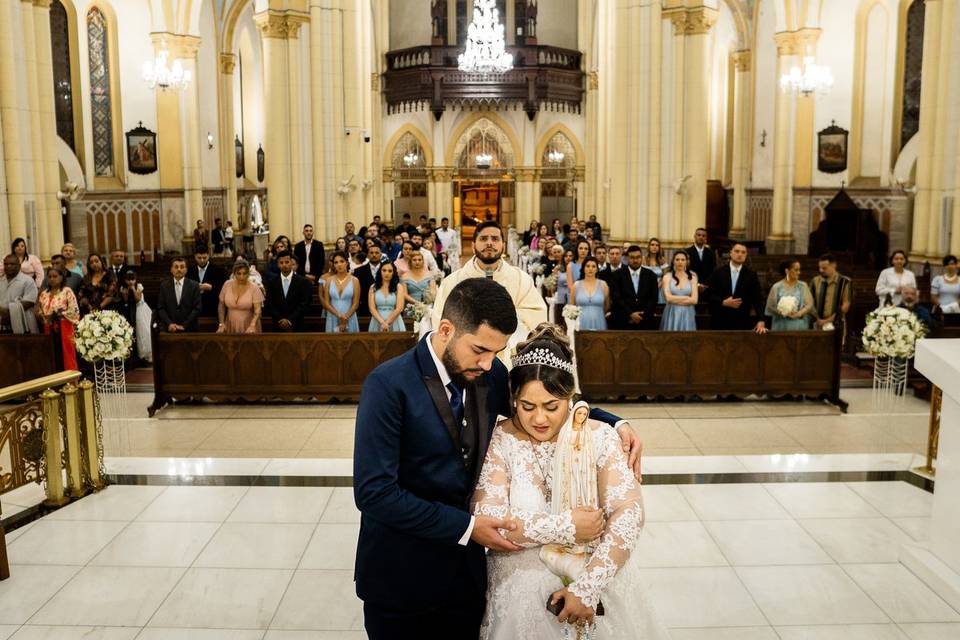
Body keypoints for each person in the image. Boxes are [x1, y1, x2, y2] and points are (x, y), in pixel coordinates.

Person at [353, 280, 642, 640]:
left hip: (467, 579)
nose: (490, 363)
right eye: (480, 349)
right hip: (402, 574)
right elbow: (374, 493)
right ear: (446, 329)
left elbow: (541, 401)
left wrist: (614, 423)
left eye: (497, 352)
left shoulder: (488, 374)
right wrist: (468, 527)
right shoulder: (387, 385)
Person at [473, 325, 668, 639]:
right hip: (519, 594)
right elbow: (489, 520)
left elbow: (628, 513)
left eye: (552, 406)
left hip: (595, 578)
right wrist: (565, 527)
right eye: (527, 406)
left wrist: (588, 587)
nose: (539, 419)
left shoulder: (600, 436)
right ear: (512, 399)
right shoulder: (501, 440)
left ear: (570, 397)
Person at [432, 222, 549, 356]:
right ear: (473, 245)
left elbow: (536, 316)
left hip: (510, 359)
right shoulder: (452, 282)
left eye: (495, 239)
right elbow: (440, 321)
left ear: (503, 246)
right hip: (466, 359)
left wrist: (502, 319)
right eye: (483, 239)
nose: (489, 243)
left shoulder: (521, 280)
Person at [706, 242, 767, 333]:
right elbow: (708, 294)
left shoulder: (751, 274)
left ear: (746, 255)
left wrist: (761, 320)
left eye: (743, 252)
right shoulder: (718, 272)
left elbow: (757, 299)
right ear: (731, 253)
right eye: (737, 251)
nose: (740, 254)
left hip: (742, 321)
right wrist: (723, 302)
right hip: (720, 320)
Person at [36, 266, 80, 369]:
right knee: (51, 354)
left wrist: (58, 314)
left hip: (65, 326)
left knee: (67, 353)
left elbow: (74, 310)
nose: (52, 279)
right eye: (49, 276)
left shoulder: (66, 291)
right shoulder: (44, 294)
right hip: (48, 327)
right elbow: (40, 310)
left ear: (61, 278)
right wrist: (43, 316)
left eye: (55, 276)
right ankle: (55, 381)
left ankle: (71, 381)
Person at [609, 245, 659, 330]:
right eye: (632, 257)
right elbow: (616, 297)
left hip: (645, 321)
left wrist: (642, 315)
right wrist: (630, 314)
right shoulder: (617, 275)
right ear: (627, 258)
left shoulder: (651, 275)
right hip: (623, 321)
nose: (635, 260)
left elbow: (654, 298)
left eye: (638, 257)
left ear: (642, 258)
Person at [264, 251, 312, 332]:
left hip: (297, 325)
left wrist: (290, 320)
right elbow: (269, 304)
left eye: (287, 262)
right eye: (281, 263)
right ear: (278, 265)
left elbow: (305, 303)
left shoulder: (303, 282)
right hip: (277, 325)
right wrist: (280, 320)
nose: (284, 265)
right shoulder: (272, 282)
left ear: (291, 263)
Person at [766, 259, 815, 331]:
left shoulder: (803, 286)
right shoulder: (777, 287)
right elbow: (770, 306)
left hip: (799, 324)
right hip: (781, 324)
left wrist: (799, 314)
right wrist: (783, 312)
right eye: (796, 270)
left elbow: (809, 304)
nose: (799, 272)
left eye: (799, 270)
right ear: (787, 271)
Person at [218, 259, 264, 334]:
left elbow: (257, 311)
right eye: (238, 273)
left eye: (245, 273)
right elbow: (221, 306)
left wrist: (252, 325)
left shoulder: (254, 288)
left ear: (248, 273)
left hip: (249, 324)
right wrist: (221, 323)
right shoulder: (227, 284)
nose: (242, 277)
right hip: (230, 323)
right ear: (234, 273)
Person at [156, 257, 202, 332]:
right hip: (170, 328)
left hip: (190, 329)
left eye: (182, 267)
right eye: (176, 267)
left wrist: (184, 325)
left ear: (186, 270)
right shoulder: (164, 286)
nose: (179, 269)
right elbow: (161, 308)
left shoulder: (194, 285)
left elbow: (197, 308)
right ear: (171, 269)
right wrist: (169, 323)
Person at [116, 270, 153, 362]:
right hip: (130, 310)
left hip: (140, 309)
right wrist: (125, 295)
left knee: (143, 331)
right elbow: (125, 301)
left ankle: (144, 355)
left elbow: (138, 299)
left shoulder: (139, 287)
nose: (130, 282)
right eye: (128, 280)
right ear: (125, 280)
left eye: (132, 279)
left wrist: (132, 289)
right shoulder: (123, 288)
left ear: (135, 280)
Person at [810, 253, 853, 331]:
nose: (821, 270)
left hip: (837, 322)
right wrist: (817, 318)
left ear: (834, 265)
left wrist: (829, 320)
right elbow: (810, 301)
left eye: (824, 268)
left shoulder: (845, 282)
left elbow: (846, 304)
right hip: (817, 323)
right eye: (820, 268)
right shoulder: (814, 281)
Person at [322, 251, 360, 333]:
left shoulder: (355, 280)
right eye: (336, 262)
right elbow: (327, 303)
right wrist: (339, 315)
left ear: (347, 263)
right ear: (333, 265)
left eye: (342, 261)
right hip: (333, 316)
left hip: (350, 316)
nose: (339, 264)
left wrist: (345, 317)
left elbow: (356, 303)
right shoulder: (328, 280)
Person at [660, 250, 698, 331]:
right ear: (673, 261)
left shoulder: (693, 278)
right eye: (677, 259)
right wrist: (687, 298)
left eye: (683, 260)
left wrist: (675, 299)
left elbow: (694, 300)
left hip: (688, 312)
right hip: (671, 312)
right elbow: (668, 298)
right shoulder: (667, 277)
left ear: (686, 262)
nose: (680, 262)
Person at [0, 254, 39, 333]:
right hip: (2, 325)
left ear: (19, 265)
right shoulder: (0, 281)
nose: (8, 266)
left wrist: (9, 313)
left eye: (12, 264)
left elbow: (29, 302)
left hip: (24, 323)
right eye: (6, 264)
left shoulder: (28, 280)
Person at [186, 247, 227, 318]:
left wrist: (211, 287)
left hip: (212, 307)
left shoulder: (218, 270)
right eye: (199, 258)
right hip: (194, 308)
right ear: (195, 257)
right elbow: (185, 288)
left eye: (204, 258)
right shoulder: (189, 271)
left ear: (208, 255)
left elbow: (224, 288)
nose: (202, 260)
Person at [571, 256, 609, 330]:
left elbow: (607, 306)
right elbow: (572, 307)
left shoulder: (603, 285)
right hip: (580, 324)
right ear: (583, 268)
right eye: (588, 266)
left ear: (597, 269)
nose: (590, 269)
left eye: (593, 266)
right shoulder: (576, 285)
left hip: (600, 322)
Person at [368, 261, 407, 332]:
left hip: (394, 320)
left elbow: (399, 308)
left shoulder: (398, 287)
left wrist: (387, 323)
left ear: (393, 273)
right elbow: (372, 308)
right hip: (377, 320)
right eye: (384, 270)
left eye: (390, 271)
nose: (387, 273)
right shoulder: (373, 287)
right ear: (380, 271)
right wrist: (382, 323)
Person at [642, 238, 668, 304]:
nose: (655, 247)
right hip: (646, 287)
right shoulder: (643, 259)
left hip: (660, 287)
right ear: (649, 246)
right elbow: (641, 275)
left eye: (657, 245)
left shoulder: (662, 260)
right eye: (652, 245)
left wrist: (658, 285)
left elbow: (665, 276)